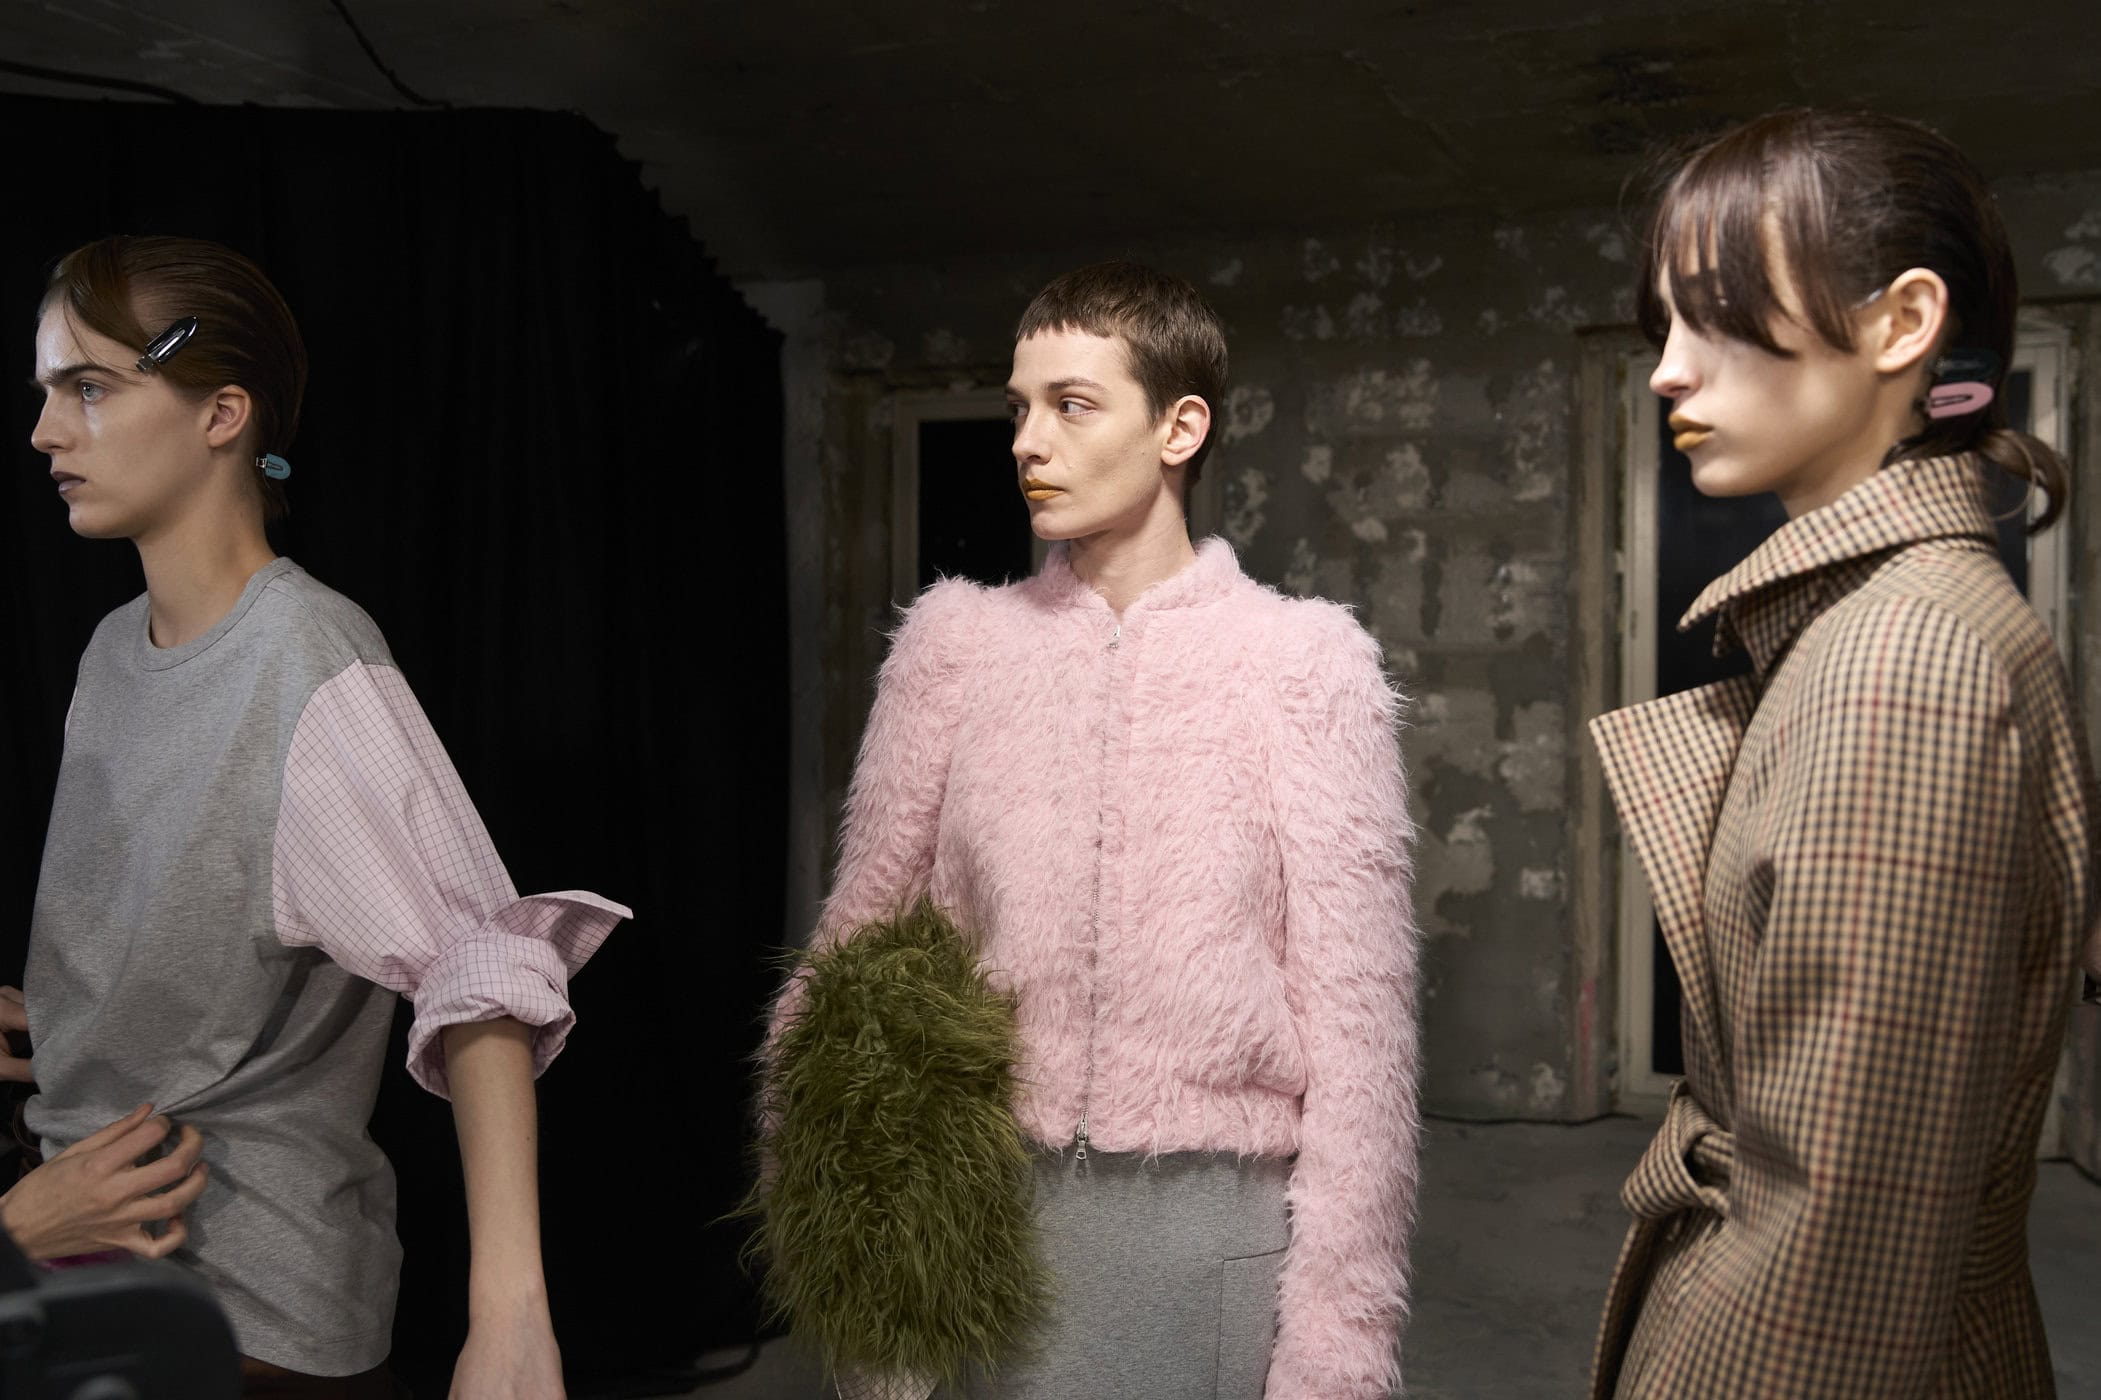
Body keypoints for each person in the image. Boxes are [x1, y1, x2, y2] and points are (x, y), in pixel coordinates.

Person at [776, 261, 1421, 1400]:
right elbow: (854, 953)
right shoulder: (955, 650)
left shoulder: (1304, 666)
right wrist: (864, 1259)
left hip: (1205, 1234)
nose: (1028, 441)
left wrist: (1337, 1342)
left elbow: (1360, 1030)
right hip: (979, 1216)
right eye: (1019, 407)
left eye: (1071, 405)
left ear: (1179, 428)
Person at [9, 235, 628, 1398]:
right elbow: (214, 921)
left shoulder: (307, 663)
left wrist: (508, 1319)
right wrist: (77, 1004)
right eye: (46, 391)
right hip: (83, 1274)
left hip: (240, 1317)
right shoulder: (109, 654)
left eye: (87, 387)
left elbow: (480, 966)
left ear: (221, 413)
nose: (45, 431)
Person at [1590, 110, 2098, 1398]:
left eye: (1716, 315)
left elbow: (1842, 1253)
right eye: (1664, 327)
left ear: (1900, 322)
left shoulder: (1902, 661)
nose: (1666, 373)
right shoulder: (1885, 621)